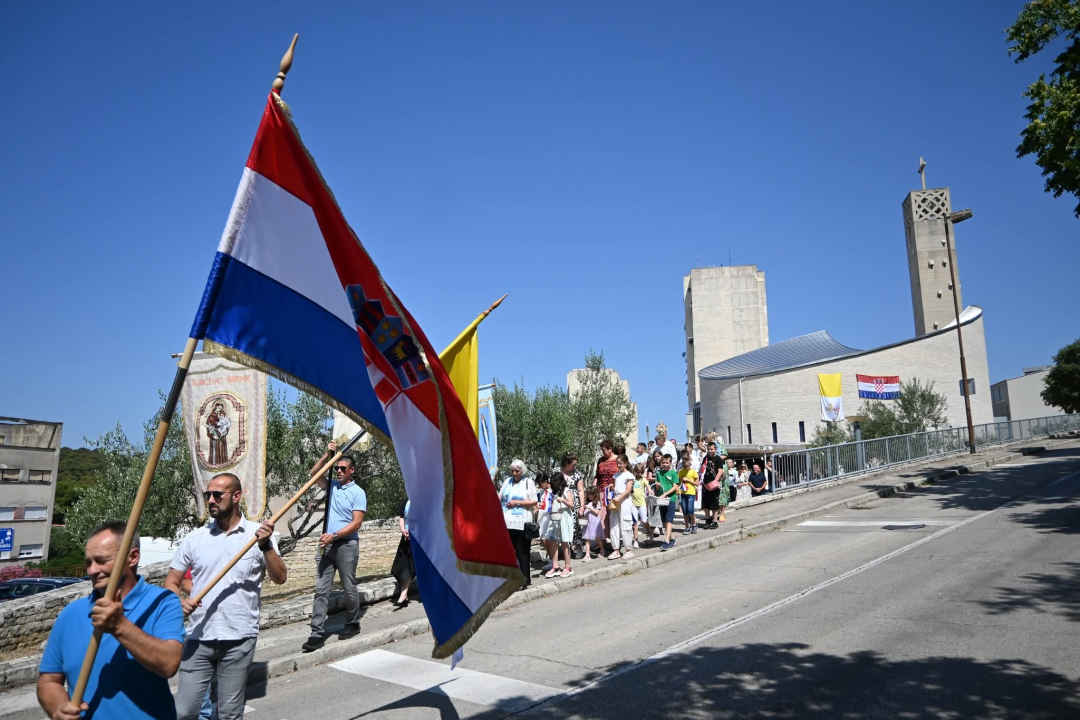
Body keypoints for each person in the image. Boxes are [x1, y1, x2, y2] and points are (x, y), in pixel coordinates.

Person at [166, 473, 286, 720]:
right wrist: (177, 601)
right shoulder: (194, 539)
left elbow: (280, 577)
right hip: (199, 635)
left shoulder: (259, 535)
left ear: (236, 497)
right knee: (184, 712)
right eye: (207, 495)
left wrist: (266, 546)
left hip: (239, 635)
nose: (211, 500)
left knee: (229, 714)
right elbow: (172, 581)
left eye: (217, 495)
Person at [37, 522, 184, 720]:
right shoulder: (70, 614)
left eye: (102, 560)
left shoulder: (162, 602)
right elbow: (49, 680)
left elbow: (169, 664)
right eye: (88, 562)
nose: (92, 570)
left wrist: (119, 626)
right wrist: (58, 707)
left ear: (133, 557)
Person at [303, 442, 368, 651]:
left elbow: (356, 523)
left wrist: (335, 536)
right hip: (326, 546)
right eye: (336, 468)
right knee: (321, 590)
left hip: (346, 545)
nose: (338, 471)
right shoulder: (331, 486)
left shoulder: (358, 492)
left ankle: (352, 622)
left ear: (352, 471)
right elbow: (314, 473)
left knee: (348, 587)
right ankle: (317, 632)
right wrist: (328, 454)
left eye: (342, 468)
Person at [500, 459, 537, 587]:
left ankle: (525, 579)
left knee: (522, 551)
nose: (514, 473)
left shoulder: (528, 482)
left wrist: (517, 503)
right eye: (512, 471)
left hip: (522, 522)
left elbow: (534, 501)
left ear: (522, 471)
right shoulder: (507, 482)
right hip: (507, 521)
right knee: (511, 551)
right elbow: (500, 496)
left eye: (517, 471)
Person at [542, 473, 575, 578]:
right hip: (554, 518)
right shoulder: (552, 492)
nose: (553, 483)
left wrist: (563, 500)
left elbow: (571, 505)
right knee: (552, 541)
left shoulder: (566, 491)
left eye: (555, 481)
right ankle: (555, 566)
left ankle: (568, 567)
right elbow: (550, 505)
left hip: (564, 517)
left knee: (565, 542)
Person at [556, 452, 586, 559]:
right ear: (565, 462)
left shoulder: (578, 474)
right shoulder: (556, 471)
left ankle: (577, 547)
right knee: (560, 525)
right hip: (559, 500)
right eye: (572, 464)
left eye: (575, 465)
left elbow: (581, 490)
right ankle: (562, 548)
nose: (574, 467)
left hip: (573, 501)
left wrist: (582, 507)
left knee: (575, 525)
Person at [607, 454, 635, 560]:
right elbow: (617, 489)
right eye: (617, 463)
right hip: (616, 500)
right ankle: (616, 549)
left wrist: (619, 498)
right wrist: (612, 489)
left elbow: (628, 490)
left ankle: (629, 549)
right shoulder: (616, 475)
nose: (618, 465)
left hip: (625, 501)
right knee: (614, 524)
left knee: (625, 523)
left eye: (620, 463)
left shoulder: (629, 475)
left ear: (626, 463)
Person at [653, 455, 681, 550]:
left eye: (666, 462)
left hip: (671, 499)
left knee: (669, 520)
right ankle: (672, 538)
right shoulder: (659, 473)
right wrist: (657, 485)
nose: (665, 464)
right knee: (665, 521)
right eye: (663, 462)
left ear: (670, 463)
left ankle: (667, 541)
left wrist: (665, 494)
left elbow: (675, 487)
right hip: (662, 500)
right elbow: (657, 487)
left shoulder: (673, 473)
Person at [390, 498, 415, 608]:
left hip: (420, 539)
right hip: (406, 538)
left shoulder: (423, 499)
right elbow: (401, 517)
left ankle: (403, 595)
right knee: (401, 565)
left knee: (411, 565)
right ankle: (404, 595)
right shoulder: (406, 501)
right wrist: (402, 530)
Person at [700, 442, 725, 528]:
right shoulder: (705, 458)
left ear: (715, 449)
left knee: (714, 503)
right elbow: (702, 469)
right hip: (705, 483)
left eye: (712, 449)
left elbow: (720, 471)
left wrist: (716, 481)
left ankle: (714, 521)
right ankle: (708, 520)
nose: (710, 451)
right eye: (709, 449)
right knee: (705, 503)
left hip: (714, 483)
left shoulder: (718, 459)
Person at [629, 461, 651, 546]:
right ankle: (636, 540)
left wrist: (651, 491)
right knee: (634, 522)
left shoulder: (644, 480)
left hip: (641, 503)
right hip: (633, 503)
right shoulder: (632, 479)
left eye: (640, 472)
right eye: (637, 472)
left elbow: (649, 488)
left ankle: (649, 533)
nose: (638, 474)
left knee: (644, 520)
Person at [581, 487, 605, 561]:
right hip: (588, 522)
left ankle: (602, 549)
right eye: (588, 495)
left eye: (591, 495)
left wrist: (589, 508)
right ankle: (587, 554)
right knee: (587, 538)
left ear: (595, 495)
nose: (589, 496)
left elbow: (597, 513)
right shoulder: (588, 503)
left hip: (594, 522)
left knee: (597, 537)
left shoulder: (596, 503)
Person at [678, 454, 699, 535]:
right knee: (685, 511)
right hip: (683, 493)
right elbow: (679, 482)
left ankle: (694, 525)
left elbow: (696, 483)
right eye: (683, 465)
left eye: (686, 466)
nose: (685, 467)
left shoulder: (693, 472)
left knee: (690, 510)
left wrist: (688, 480)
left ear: (690, 464)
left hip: (691, 493)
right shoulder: (680, 472)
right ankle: (687, 527)